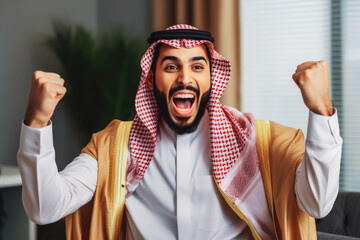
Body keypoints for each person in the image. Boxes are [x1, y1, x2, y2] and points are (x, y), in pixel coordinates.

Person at [17, 24, 342, 240]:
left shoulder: (257, 142)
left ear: (211, 79)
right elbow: (45, 207)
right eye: (171, 66)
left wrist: (322, 111)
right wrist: (37, 121)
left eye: (197, 66)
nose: (184, 78)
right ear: (151, 79)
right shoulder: (117, 148)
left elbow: (316, 204)